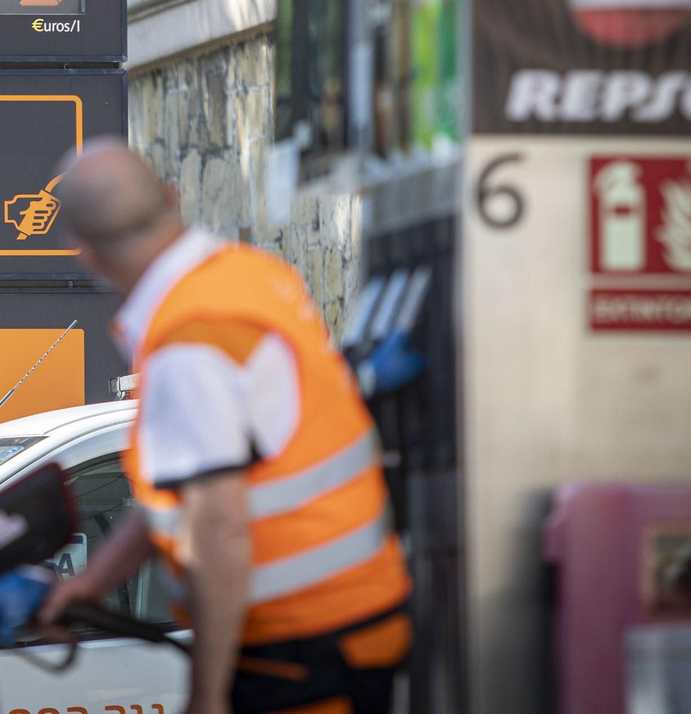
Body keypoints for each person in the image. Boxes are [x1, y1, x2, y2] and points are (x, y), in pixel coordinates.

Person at [37, 138, 411, 714]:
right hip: (348, 621)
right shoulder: (246, 277)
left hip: (304, 646)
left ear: (84, 253)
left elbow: (218, 528)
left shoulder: (191, 341)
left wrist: (207, 697)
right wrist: (93, 582)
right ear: (173, 197)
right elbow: (194, 488)